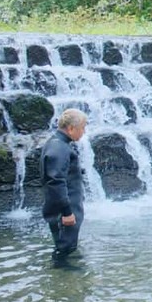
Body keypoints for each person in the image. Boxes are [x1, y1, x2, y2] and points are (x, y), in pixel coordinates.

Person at [41, 108, 88, 261]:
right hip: (64, 210)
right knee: (64, 247)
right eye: (82, 128)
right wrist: (67, 212)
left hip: (64, 206)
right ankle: (62, 273)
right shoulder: (59, 147)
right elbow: (56, 181)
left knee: (65, 244)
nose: (84, 131)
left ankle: (64, 277)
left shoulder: (57, 143)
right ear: (71, 128)